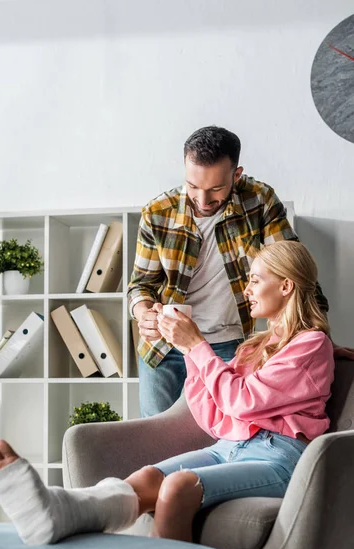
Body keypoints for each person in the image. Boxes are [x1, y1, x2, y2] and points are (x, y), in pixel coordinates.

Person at [0, 240, 334, 546]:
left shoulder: (311, 345)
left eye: (256, 280)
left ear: (286, 286)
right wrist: (186, 349)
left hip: (277, 458)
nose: (247, 289)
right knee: (148, 477)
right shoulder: (254, 347)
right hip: (227, 447)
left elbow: (242, 400)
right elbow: (214, 417)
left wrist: (197, 345)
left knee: (177, 487)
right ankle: (56, 514)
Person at [127, 125, 328, 417]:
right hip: (164, 346)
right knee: (157, 442)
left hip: (229, 347)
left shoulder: (258, 200)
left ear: (237, 174)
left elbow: (292, 268)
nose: (203, 200)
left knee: (226, 439)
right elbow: (141, 284)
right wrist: (143, 312)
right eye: (193, 186)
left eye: (215, 189)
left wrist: (318, 336)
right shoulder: (158, 212)